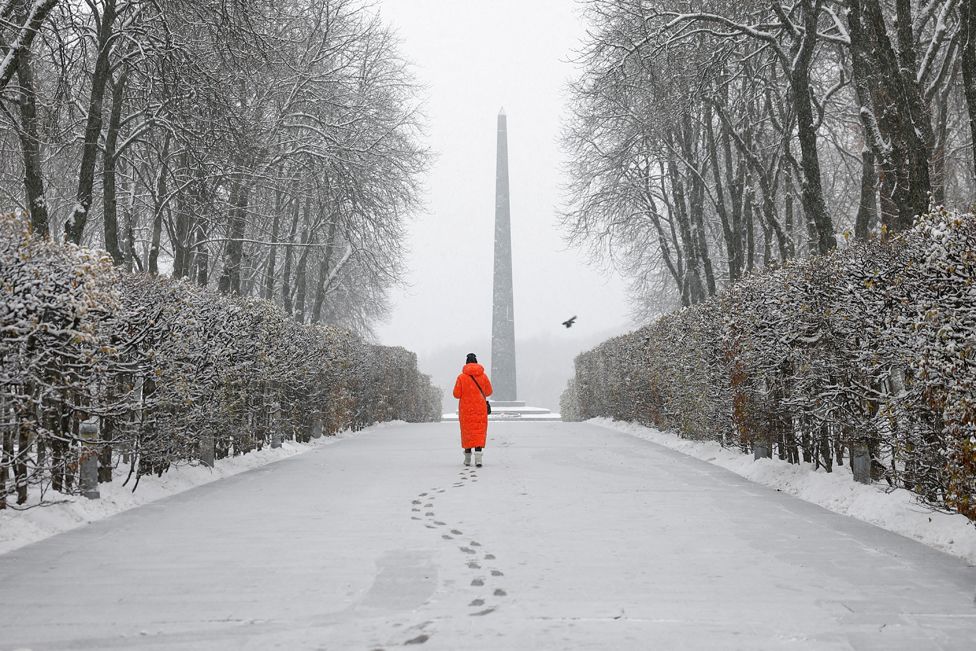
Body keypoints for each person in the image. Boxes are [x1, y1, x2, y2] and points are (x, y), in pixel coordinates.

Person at [453, 353, 493, 467]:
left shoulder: (461, 377)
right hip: (480, 409)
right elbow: (489, 392)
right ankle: (479, 458)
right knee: (478, 432)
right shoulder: (483, 376)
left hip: (466, 410)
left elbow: (456, 394)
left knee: (467, 433)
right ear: (476, 362)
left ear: (466, 363)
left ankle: (467, 458)